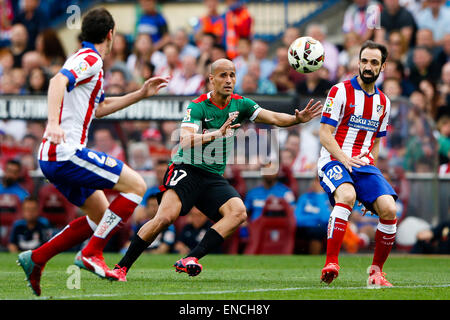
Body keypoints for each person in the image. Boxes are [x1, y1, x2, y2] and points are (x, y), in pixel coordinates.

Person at [111, 58, 322, 281]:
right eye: (223, 75)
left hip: (212, 176)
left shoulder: (241, 104)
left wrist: (296, 119)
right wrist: (216, 133)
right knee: (165, 218)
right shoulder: (198, 105)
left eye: (232, 75)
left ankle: (190, 258)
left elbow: (274, 117)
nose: (229, 80)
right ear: (212, 79)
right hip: (187, 169)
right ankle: (121, 267)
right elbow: (184, 139)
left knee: (238, 212)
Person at [16, 8, 169, 296]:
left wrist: (140, 94)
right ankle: (92, 253)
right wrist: (52, 123)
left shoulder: (84, 59)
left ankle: (36, 258)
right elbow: (56, 81)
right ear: (110, 34)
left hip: (53, 156)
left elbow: (99, 107)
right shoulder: (91, 59)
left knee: (101, 216)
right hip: (64, 152)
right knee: (136, 185)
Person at [318, 41, 398, 287]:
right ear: (358, 62)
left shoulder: (384, 102)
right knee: (347, 194)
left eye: (374, 62)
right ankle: (331, 262)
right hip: (333, 159)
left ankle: (376, 273)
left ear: (382, 67)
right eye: (364, 60)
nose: (367, 66)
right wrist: (344, 159)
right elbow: (324, 133)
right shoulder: (339, 91)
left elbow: (376, 142)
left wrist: (370, 175)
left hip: (363, 166)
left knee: (389, 209)